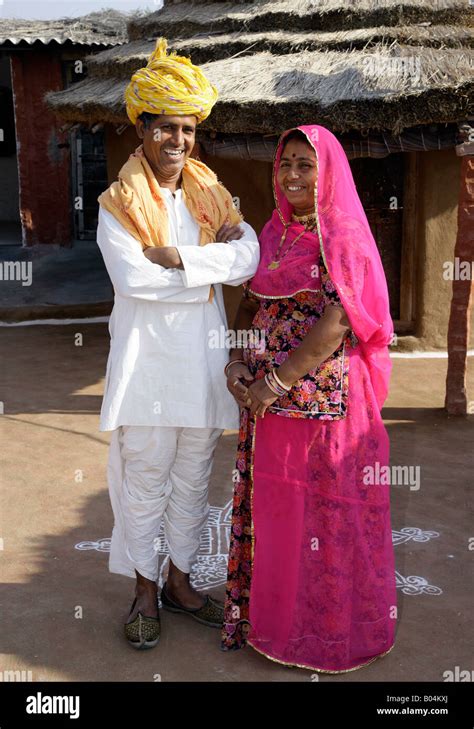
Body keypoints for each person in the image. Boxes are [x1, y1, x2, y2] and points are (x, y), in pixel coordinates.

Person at [96, 38, 260, 649]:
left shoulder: (211, 195)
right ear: (142, 129)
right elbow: (133, 280)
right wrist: (207, 271)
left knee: (194, 478)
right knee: (145, 481)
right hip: (146, 369)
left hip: (203, 365)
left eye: (186, 129)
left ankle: (181, 582)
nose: (177, 141)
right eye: (165, 128)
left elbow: (250, 258)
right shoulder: (116, 206)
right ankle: (143, 588)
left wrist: (180, 262)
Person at [222, 125, 397, 673]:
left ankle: (322, 634)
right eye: (286, 164)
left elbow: (337, 321)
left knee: (323, 516)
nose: (293, 175)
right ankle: (274, 623)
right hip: (267, 404)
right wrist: (235, 360)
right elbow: (251, 307)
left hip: (322, 407)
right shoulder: (273, 233)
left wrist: (273, 385)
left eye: (305, 164)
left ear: (327, 173)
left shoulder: (341, 235)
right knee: (276, 514)